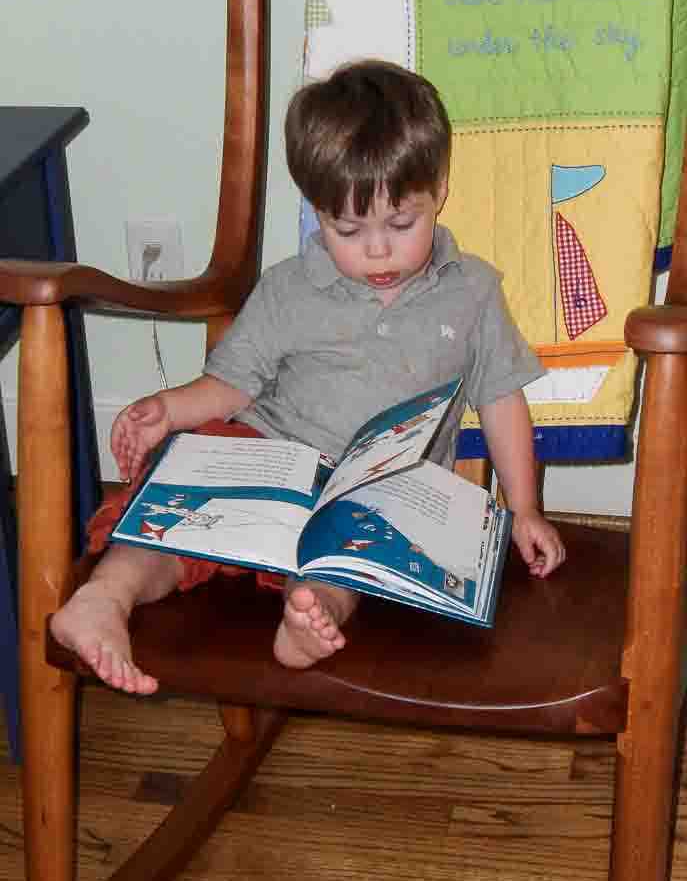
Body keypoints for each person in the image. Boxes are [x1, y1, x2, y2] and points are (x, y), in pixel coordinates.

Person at [51, 60, 565, 694]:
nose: (377, 251)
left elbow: (501, 396)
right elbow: (233, 383)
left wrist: (525, 508)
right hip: (270, 458)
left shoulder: (473, 292)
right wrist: (171, 408)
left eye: (400, 225)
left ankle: (308, 615)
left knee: (352, 563)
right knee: (174, 517)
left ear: (440, 191)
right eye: (347, 230)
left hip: (381, 490)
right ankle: (107, 597)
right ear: (317, 211)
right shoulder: (289, 290)